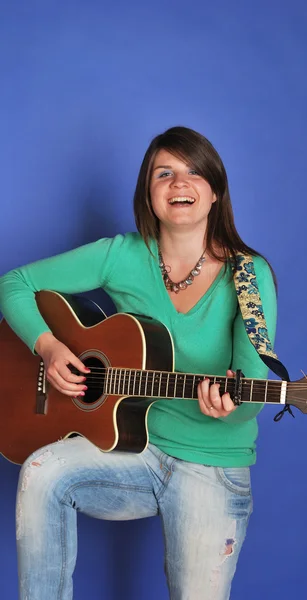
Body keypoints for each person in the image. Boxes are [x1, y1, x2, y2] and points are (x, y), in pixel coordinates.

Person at [0, 126, 277, 600]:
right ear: (148, 194)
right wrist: (47, 346)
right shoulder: (121, 255)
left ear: (215, 192)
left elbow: (253, 383)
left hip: (211, 467)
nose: (179, 183)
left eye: (193, 172)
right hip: (135, 453)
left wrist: (234, 404)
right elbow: (15, 284)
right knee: (42, 471)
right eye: (163, 173)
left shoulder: (249, 277)